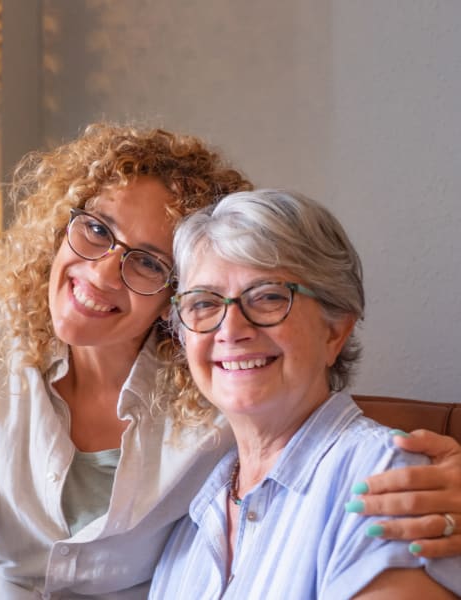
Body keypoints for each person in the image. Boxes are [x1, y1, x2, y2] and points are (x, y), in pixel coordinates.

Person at [0, 125, 459, 600]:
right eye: (96, 229)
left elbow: (317, 429)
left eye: (148, 262)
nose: (100, 273)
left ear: (171, 305)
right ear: (59, 226)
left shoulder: (222, 391)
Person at [149, 189, 461, 599]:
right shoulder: (191, 507)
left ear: (335, 329)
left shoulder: (388, 476)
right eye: (204, 303)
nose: (231, 328)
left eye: (268, 297)